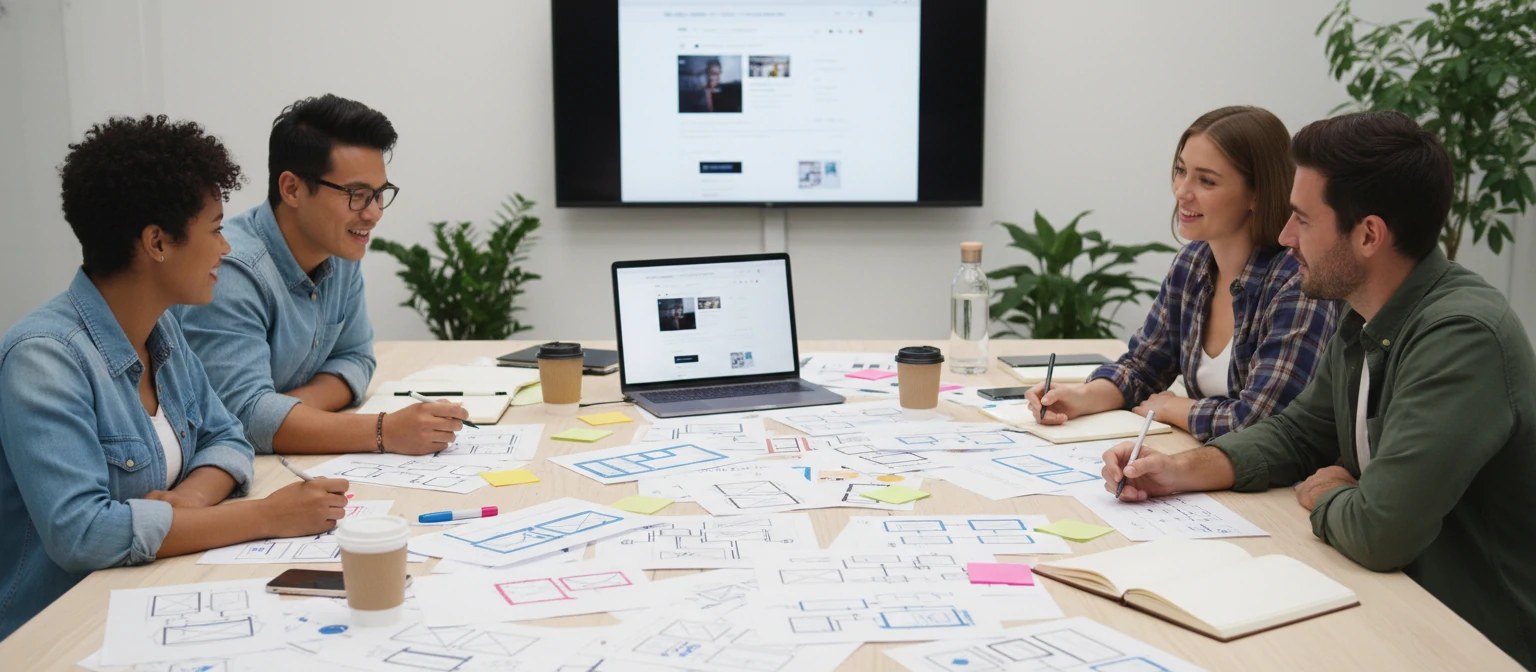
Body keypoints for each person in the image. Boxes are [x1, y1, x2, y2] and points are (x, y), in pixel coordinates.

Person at [1102, 111, 1536, 668]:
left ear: (1368, 235)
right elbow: (1296, 434)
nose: (1285, 238)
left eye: (1302, 221)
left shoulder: (1461, 337)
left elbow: (1381, 531)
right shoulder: (1364, 315)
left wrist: (1329, 494)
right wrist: (1180, 471)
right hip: (1384, 605)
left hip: (1468, 638)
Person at [0, 116, 349, 640]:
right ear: (157, 242)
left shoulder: (160, 327)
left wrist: (187, 504)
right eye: (214, 229)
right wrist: (266, 517)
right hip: (63, 632)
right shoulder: (43, 359)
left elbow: (226, 435)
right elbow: (83, 534)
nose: (226, 249)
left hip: (152, 594)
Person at [175, 95, 467, 456]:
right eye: (357, 195)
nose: (374, 213)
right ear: (292, 189)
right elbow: (244, 419)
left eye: (379, 194)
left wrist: (289, 410)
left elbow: (356, 359)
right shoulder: (232, 270)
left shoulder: (339, 249)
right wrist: (384, 431)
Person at [1029, 106, 1340, 441]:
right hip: (1208, 462)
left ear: (1257, 193)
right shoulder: (1192, 263)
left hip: (1283, 485)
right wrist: (1081, 397)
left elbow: (1262, 421)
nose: (1181, 191)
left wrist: (1177, 408)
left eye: (1206, 180)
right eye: (1180, 171)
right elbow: (1143, 367)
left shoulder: (1298, 282)